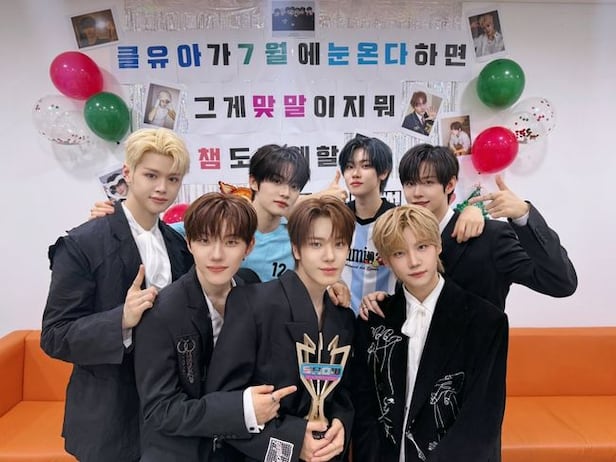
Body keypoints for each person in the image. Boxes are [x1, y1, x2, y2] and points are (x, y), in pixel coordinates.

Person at [40, 128, 194, 462]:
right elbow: (54, 336)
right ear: (128, 173)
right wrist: (120, 320)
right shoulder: (83, 243)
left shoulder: (179, 246)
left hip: (169, 414)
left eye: (172, 179)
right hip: (108, 419)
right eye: (151, 175)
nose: (162, 188)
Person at [134, 192, 297, 461]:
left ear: (249, 246)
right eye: (204, 241)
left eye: (231, 242)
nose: (217, 255)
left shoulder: (249, 284)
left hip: (238, 448)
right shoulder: (163, 311)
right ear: (189, 243)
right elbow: (160, 410)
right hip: (180, 452)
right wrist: (242, 411)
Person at [351, 204, 508, 461]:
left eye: (422, 247)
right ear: (386, 260)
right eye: (399, 253)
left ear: (438, 246)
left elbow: (482, 416)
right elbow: (366, 408)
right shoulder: (374, 320)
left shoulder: (486, 321)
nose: (414, 261)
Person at [206, 196, 357, 462]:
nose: (330, 256)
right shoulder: (252, 303)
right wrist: (293, 443)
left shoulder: (342, 316)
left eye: (339, 244)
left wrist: (340, 425)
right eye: (316, 244)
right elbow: (223, 404)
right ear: (296, 249)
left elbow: (343, 393)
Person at [360, 143, 577, 314]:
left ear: (450, 185)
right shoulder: (402, 237)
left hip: (476, 354)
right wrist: (386, 301)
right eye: (410, 184)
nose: (417, 193)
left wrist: (523, 216)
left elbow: (561, 283)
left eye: (428, 182)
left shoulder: (492, 236)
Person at [338, 134, 397, 315]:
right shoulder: (336, 217)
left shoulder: (397, 220)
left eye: (365, 166)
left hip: (383, 317)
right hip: (340, 316)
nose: (355, 174)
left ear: (383, 172)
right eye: (349, 166)